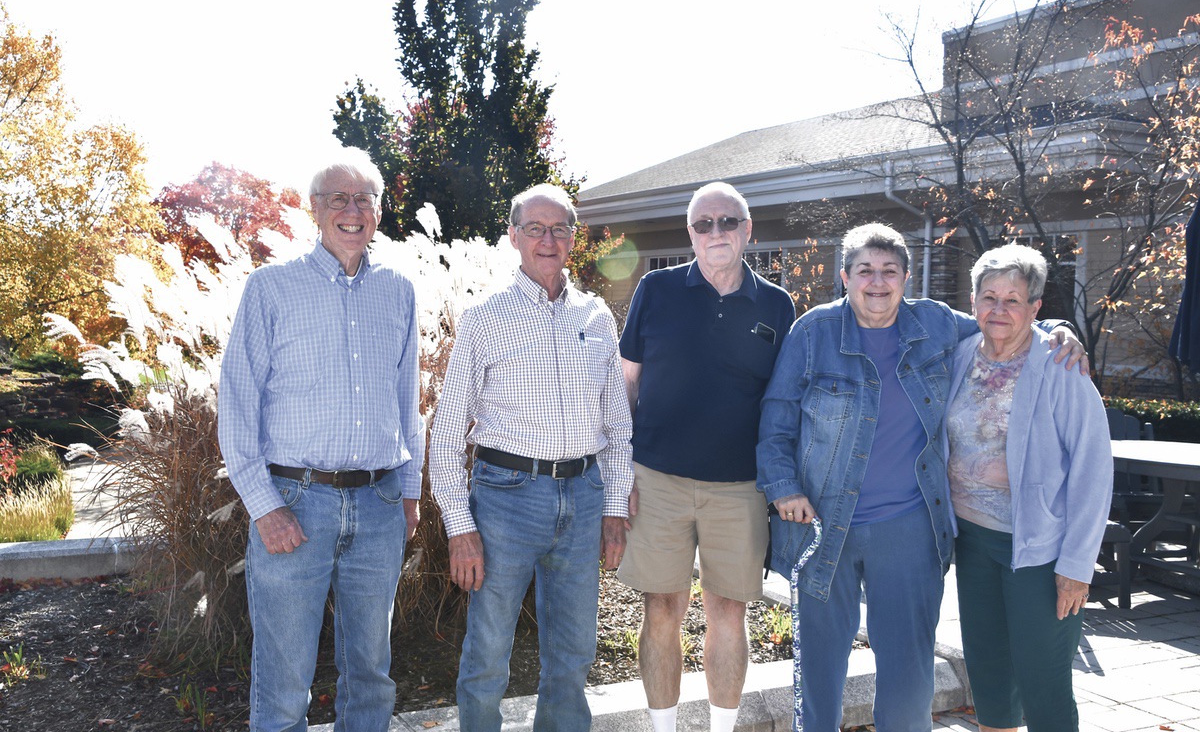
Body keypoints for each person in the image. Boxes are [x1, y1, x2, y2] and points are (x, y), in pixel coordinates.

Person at [756, 223, 1086, 732]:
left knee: (909, 674)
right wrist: (783, 488)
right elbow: (776, 419)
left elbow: (1003, 321)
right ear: (845, 276)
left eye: (890, 270)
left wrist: (1061, 328)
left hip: (908, 526)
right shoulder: (813, 333)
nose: (878, 281)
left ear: (907, 278)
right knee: (819, 667)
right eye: (865, 269)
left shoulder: (933, 324)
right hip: (821, 524)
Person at [218, 156, 423, 732]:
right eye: (338, 198)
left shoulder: (399, 291)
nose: (352, 210)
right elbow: (236, 403)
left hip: (380, 504)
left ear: (379, 211)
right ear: (314, 210)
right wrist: (264, 505)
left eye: (364, 199)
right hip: (294, 503)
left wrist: (409, 494)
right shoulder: (271, 287)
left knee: (372, 676)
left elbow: (408, 402)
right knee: (285, 683)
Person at [428, 184, 633, 732]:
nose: (548, 239)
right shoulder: (484, 319)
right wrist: (458, 526)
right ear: (513, 236)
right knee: (488, 653)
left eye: (560, 228)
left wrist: (614, 508)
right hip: (505, 500)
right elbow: (447, 433)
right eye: (536, 228)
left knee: (573, 652)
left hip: (585, 497)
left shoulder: (596, 317)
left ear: (574, 238)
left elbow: (617, 423)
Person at [617, 181, 796, 732]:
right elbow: (626, 383)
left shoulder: (777, 305)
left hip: (740, 488)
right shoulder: (656, 289)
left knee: (728, 613)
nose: (715, 232)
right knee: (662, 610)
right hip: (657, 479)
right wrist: (621, 471)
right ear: (689, 233)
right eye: (703, 223)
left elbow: (786, 399)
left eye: (727, 221)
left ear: (747, 230)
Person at [943, 244, 1111, 732]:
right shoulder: (958, 356)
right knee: (989, 675)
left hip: (1039, 549)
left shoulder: (1060, 365)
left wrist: (1077, 567)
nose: (999, 310)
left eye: (1013, 300)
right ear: (972, 301)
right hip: (972, 541)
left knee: (1044, 681)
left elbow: (1093, 468)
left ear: (1036, 308)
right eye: (988, 297)